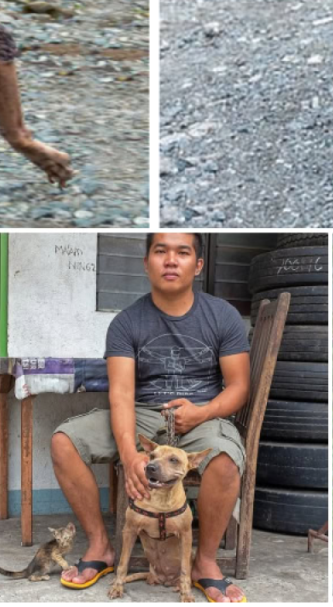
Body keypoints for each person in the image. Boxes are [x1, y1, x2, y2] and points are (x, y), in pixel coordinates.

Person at [51, 232, 251, 603]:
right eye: (160, 251)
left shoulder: (222, 316)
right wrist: (130, 455)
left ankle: (205, 562)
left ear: (199, 265)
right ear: (146, 263)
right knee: (64, 441)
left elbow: (239, 387)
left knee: (224, 460)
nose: (171, 260)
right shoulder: (127, 323)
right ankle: (101, 547)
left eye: (182, 252)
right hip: (141, 414)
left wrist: (202, 412)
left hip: (200, 415)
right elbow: (122, 394)